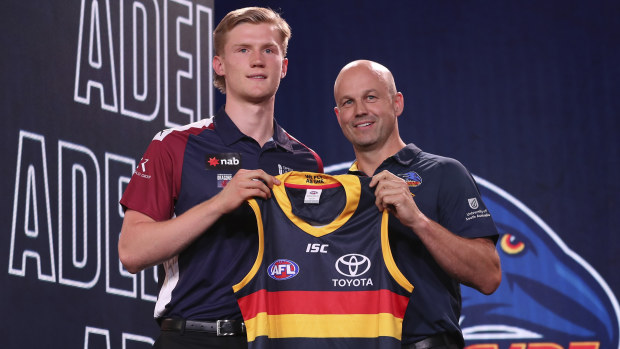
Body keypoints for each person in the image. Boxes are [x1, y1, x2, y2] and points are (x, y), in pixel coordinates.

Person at [118, 7, 322, 349]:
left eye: (269, 50)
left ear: (283, 67)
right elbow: (132, 251)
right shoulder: (174, 145)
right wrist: (220, 204)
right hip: (193, 336)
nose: (257, 60)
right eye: (243, 50)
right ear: (220, 66)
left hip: (278, 339)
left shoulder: (306, 161)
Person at [333, 60, 502, 349]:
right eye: (348, 102)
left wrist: (418, 221)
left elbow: (488, 277)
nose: (360, 110)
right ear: (338, 115)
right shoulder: (335, 193)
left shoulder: (444, 173)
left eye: (370, 97)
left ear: (397, 103)